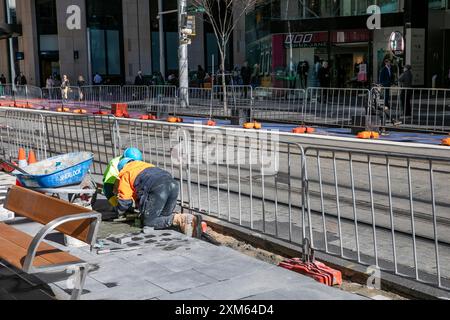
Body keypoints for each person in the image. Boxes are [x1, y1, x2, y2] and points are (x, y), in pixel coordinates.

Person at [115, 158, 202, 237]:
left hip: (158, 188)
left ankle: (181, 219)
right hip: (173, 184)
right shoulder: (145, 165)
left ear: (121, 168)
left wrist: (119, 212)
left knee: (149, 222)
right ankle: (190, 222)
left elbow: (124, 201)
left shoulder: (125, 173)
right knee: (163, 216)